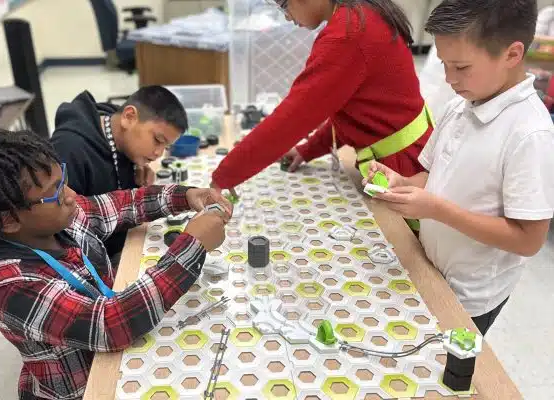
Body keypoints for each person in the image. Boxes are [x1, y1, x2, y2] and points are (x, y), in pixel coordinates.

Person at [0, 128, 231, 400]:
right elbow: (110, 325)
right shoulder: (7, 283)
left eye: (63, 180)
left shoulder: (57, 219)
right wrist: (192, 246)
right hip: (82, 388)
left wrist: (184, 196)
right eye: (55, 193)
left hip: (119, 353)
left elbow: (121, 205)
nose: (71, 195)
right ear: (9, 220)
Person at [369, 0, 553, 335]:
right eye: (444, 64)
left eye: (461, 67)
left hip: (471, 296)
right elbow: (432, 176)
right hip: (429, 266)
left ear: (512, 54)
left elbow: (528, 240)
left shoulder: (530, 134)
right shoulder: (459, 106)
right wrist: (401, 183)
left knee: (446, 363)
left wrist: (438, 210)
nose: (449, 78)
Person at [210, 0, 434, 192]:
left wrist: (222, 179)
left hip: (403, 169)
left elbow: (293, 119)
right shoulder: (360, 14)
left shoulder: (348, 33)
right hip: (406, 154)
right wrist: (308, 149)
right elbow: (352, 109)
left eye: (284, 5)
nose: (287, 17)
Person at [51, 86, 187, 260]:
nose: (159, 153)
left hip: (126, 236)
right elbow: (63, 232)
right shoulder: (70, 150)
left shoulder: (121, 133)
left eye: (166, 147)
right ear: (129, 117)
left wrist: (135, 166)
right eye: (157, 140)